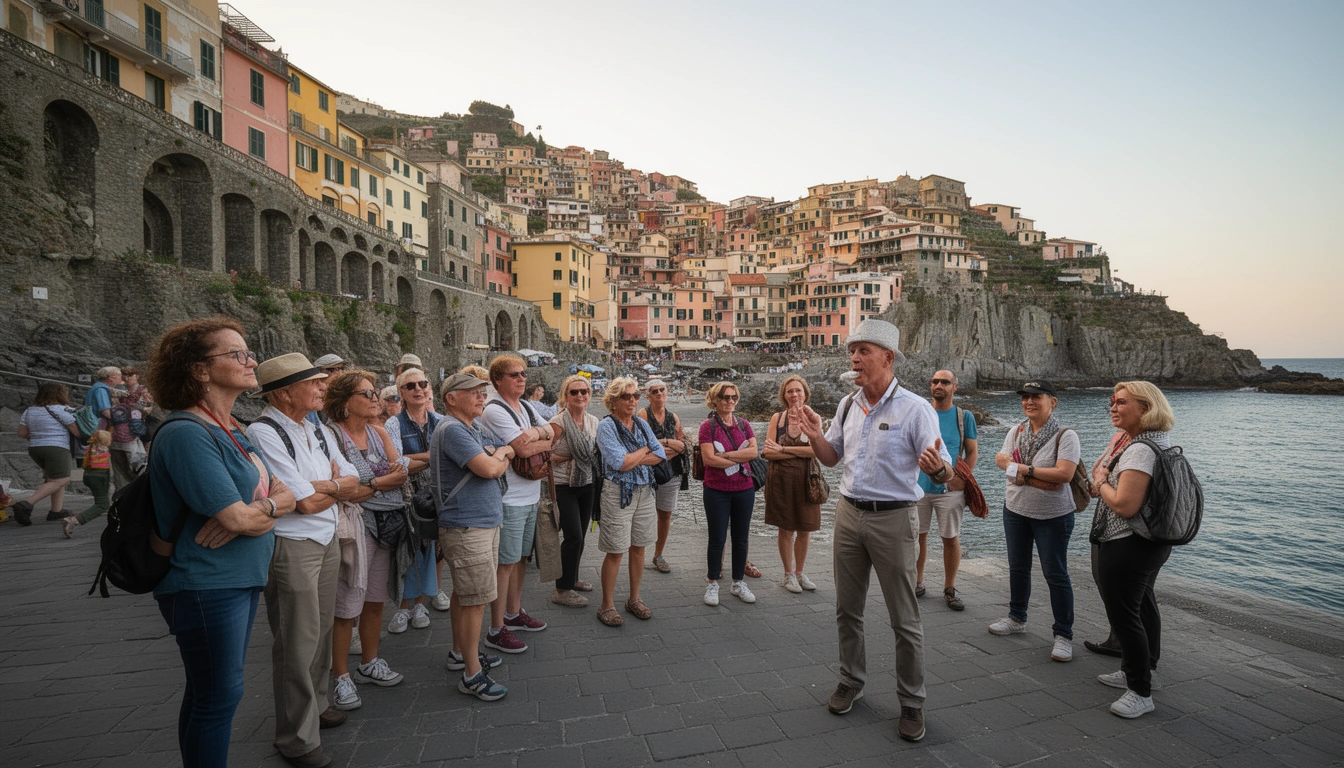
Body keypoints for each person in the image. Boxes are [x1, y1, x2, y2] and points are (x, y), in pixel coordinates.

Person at [144, 317, 297, 768]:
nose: (250, 361)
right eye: (236, 354)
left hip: (236, 576)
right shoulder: (187, 433)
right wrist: (261, 512)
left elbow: (288, 493)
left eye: (248, 352)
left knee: (209, 692)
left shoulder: (234, 428)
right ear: (198, 370)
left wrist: (260, 513)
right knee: (219, 695)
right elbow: (242, 514)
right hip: (204, 583)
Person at [795, 319, 951, 743]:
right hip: (848, 513)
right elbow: (830, 459)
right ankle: (851, 679)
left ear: (888, 357)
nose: (854, 359)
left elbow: (944, 466)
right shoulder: (847, 406)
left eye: (863, 350)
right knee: (848, 609)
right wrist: (812, 435)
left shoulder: (915, 409)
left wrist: (940, 470)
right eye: (852, 351)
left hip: (895, 517)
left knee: (905, 618)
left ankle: (912, 703)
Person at [244, 355, 367, 762]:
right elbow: (306, 503)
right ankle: (296, 739)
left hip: (325, 537)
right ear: (283, 392)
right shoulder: (264, 431)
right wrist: (333, 486)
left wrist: (326, 486)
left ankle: (316, 705)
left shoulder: (314, 427)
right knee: (296, 641)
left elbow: (355, 477)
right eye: (313, 383)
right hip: (292, 545)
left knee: (320, 633)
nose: (322, 388)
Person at [327, 370, 417, 712]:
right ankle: (340, 676)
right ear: (345, 402)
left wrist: (370, 486)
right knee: (346, 603)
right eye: (366, 394)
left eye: (374, 392)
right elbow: (344, 485)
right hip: (353, 527)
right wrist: (382, 482)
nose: (375, 398)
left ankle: (369, 661)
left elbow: (401, 472)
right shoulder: (330, 436)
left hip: (386, 523)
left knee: (376, 598)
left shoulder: (378, 432)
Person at [1090, 381, 1178, 719]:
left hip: (1129, 542)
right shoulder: (1158, 441)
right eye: (1112, 400)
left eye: (1122, 402)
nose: (1113, 407)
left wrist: (1100, 483)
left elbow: (1125, 505)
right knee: (1142, 606)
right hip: (1153, 541)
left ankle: (1140, 691)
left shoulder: (1140, 450)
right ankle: (1141, 670)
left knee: (1125, 614)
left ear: (1145, 408)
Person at [434, 372, 514, 700]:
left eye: (483, 392)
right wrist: (504, 453)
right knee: (476, 600)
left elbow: (492, 455)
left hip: (478, 523)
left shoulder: (469, 427)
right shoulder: (453, 429)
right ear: (451, 398)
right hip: (468, 527)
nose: (482, 397)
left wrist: (498, 453)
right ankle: (471, 674)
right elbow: (491, 468)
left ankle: (460, 653)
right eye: (474, 393)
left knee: (465, 595)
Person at [990, 379, 1082, 664]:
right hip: (1015, 509)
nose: (1028, 402)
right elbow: (1001, 460)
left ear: (1052, 402)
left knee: (1055, 574)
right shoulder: (1016, 431)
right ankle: (1017, 618)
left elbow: (1064, 475)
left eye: (1036, 397)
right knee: (1018, 568)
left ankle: (1063, 635)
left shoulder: (1066, 436)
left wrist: (1023, 471)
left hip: (1053, 517)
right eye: (1025, 397)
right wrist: (1038, 474)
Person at [478, 354, 553, 652]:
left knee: (520, 559)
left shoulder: (525, 407)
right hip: (509, 498)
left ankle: (513, 613)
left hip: (530, 494)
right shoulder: (494, 410)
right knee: (505, 563)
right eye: (514, 375)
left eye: (523, 373)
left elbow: (555, 432)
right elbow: (521, 450)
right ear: (498, 380)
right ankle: (496, 629)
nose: (522, 378)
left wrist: (534, 436)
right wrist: (536, 440)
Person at [594, 377, 666, 626]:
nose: (633, 400)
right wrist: (644, 451)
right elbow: (619, 463)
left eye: (636, 396)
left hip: (644, 490)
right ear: (613, 400)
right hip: (617, 492)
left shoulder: (640, 423)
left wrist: (636, 456)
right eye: (627, 396)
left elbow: (660, 454)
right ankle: (607, 605)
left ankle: (634, 599)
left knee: (639, 547)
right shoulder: (606, 427)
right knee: (615, 550)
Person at [384, 367, 442, 628]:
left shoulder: (439, 421)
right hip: (405, 495)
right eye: (410, 386)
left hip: (434, 495)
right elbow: (395, 462)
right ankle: (403, 606)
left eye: (422, 384)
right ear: (401, 394)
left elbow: (404, 459)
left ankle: (419, 604)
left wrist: (411, 460)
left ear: (429, 388)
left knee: (429, 549)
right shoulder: (393, 423)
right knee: (405, 549)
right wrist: (433, 456)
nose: (418, 389)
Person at [915, 370, 978, 611]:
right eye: (934, 382)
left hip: (950, 490)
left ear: (955, 387)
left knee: (949, 538)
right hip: (919, 487)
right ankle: (917, 582)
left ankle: (949, 588)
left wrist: (962, 478)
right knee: (917, 537)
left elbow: (971, 451)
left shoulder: (964, 417)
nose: (938, 385)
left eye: (944, 382)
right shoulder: (921, 412)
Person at [698, 381, 759, 606]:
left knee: (741, 538)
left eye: (733, 397)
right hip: (716, 490)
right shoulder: (708, 426)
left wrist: (725, 456)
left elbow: (753, 452)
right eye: (725, 397)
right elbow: (708, 459)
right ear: (715, 400)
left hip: (744, 489)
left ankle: (738, 582)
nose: (730, 401)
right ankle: (712, 582)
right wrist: (737, 455)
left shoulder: (744, 425)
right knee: (717, 538)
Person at [762, 375, 820, 593]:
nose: (794, 395)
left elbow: (817, 451)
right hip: (780, 481)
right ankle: (788, 574)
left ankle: (800, 572)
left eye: (798, 390)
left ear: (805, 393)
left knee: (805, 528)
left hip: (808, 480)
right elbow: (767, 452)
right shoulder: (777, 419)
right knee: (786, 528)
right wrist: (800, 453)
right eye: (790, 391)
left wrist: (784, 450)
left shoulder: (813, 418)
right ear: (783, 396)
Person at [548, 375, 600, 607]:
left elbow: (596, 453)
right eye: (574, 392)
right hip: (563, 486)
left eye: (584, 392)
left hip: (587, 484)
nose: (580, 395)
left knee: (580, 536)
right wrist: (571, 456)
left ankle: (573, 577)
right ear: (565, 396)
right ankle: (562, 590)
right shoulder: (557, 422)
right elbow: (545, 455)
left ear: (589, 395)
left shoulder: (593, 421)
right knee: (573, 536)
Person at [12, 382, 79, 526]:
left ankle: (56, 511)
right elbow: (77, 431)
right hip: (57, 448)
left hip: (35, 448)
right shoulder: (64, 410)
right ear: (61, 394)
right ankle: (27, 504)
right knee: (62, 479)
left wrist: (39, 436)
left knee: (53, 478)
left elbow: (22, 433)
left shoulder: (30, 410)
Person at [638, 379, 686, 574]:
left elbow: (682, 445)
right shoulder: (643, 415)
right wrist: (667, 446)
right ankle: (638, 552)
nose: (659, 393)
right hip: (648, 472)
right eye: (654, 391)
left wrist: (663, 444)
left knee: (665, 514)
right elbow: (643, 444)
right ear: (648, 396)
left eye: (662, 390)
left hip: (671, 472)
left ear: (667, 393)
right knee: (643, 515)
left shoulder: (673, 417)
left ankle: (658, 554)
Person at [62, 430, 112, 537]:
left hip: (89, 475)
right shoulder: (105, 450)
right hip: (99, 477)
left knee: (102, 502)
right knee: (102, 505)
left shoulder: (92, 446)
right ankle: (74, 520)